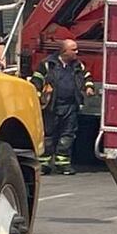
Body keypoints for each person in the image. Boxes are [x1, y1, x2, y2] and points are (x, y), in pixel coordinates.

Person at [30, 39, 95, 175]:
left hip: (70, 106)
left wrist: (89, 87)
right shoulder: (48, 64)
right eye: (74, 49)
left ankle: (63, 164)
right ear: (64, 51)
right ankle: (44, 164)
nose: (77, 52)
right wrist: (39, 96)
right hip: (51, 106)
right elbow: (36, 80)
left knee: (67, 135)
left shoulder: (78, 65)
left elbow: (87, 76)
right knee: (48, 135)